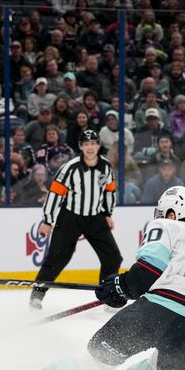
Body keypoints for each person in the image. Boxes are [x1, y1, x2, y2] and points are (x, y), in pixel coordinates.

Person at [0, 187, 185, 370]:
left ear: (171, 213)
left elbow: (145, 275)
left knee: (94, 362)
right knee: (160, 368)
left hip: (159, 311)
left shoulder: (168, 226)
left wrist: (119, 286)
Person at [29, 129, 123, 309]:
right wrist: (48, 221)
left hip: (95, 217)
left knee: (113, 257)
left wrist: (107, 213)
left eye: (93, 143)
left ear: (98, 146)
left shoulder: (105, 166)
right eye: (86, 144)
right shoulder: (71, 167)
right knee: (57, 257)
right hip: (70, 217)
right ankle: (37, 296)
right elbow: (55, 194)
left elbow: (110, 191)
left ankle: (107, 296)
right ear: (81, 146)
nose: (90, 147)